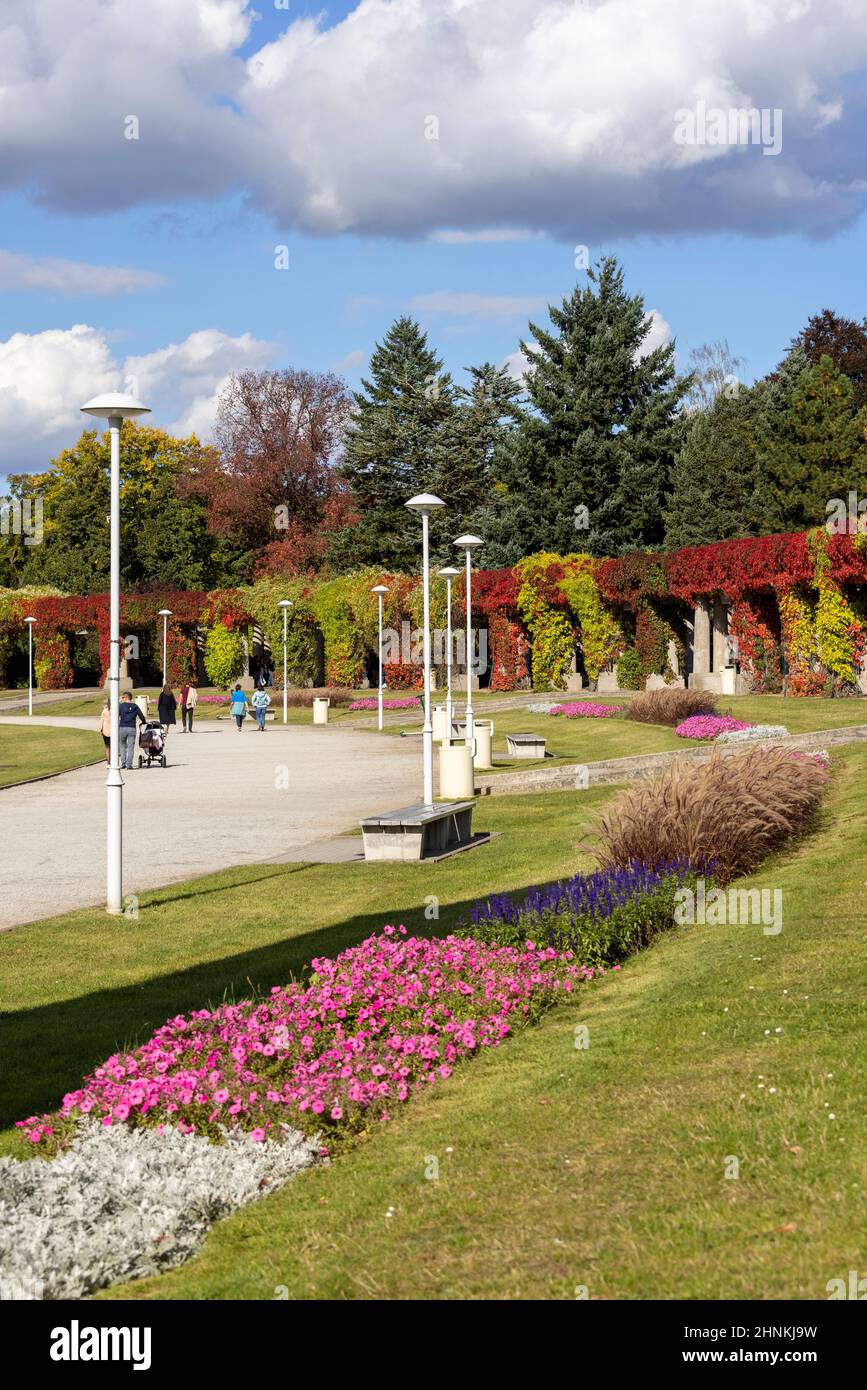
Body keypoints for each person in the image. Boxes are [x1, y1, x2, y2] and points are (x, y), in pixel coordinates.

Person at [118, 691, 146, 769]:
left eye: (123, 697)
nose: (122, 699)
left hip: (123, 727)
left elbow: (116, 714)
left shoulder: (121, 706)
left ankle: (123, 763)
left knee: (122, 745)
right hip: (132, 728)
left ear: (126, 697)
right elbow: (142, 716)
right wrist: (144, 722)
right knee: (130, 747)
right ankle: (129, 764)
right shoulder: (135, 706)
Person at [99, 699, 111, 763]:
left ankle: (108, 762)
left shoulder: (104, 711)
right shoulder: (115, 710)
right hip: (113, 732)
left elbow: (101, 721)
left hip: (105, 731)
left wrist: (101, 729)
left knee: (107, 747)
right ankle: (112, 761)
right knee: (112, 747)